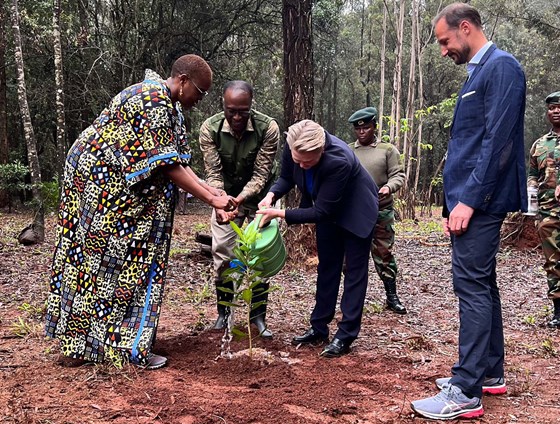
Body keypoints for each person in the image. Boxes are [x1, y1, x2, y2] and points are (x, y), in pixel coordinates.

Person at [45, 54, 236, 370]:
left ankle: (90, 345)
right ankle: (106, 347)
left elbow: (175, 161)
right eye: (200, 93)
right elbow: (167, 166)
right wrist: (211, 199)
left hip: (110, 186)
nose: (199, 100)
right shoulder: (152, 101)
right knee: (107, 261)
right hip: (101, 186)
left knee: (102, 262)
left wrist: (210, 190)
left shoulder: (167, 104)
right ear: (183, 80)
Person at [410, 3, 527, 420]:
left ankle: (465, 390)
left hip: (483, 201)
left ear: (465, 28)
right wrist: (451, 202)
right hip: (470, 200)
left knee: (471, 289)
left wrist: (469, 201)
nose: (443, 50)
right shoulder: (481, 72)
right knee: (483, 285)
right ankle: (489, 373)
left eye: (445, 41)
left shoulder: (502, 67)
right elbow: (469, 142)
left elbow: (497, 142)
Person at [257, 119, 378, 358]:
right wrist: (271, 196)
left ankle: (345, 335)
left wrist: (279, 214)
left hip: (356, 212)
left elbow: (323, 211)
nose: (301, 166)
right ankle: (319, 327)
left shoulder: (338, 160)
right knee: (327, 268)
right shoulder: (294, 146)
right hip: (327, 211)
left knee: (354, 273)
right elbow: (286, 178)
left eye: (308, 162)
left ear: (321, 150)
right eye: (297, 160)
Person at [199, 80, 280, 339]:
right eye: (230, 110)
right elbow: (212, 172)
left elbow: (261, 173)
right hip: (223, 197)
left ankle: (258, 316)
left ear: (250, 107)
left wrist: (241, 198)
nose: (236, 117)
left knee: (260, 254)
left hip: (260, 199)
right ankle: (224, 313)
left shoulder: (268, 128)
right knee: (222, 252)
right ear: (223, 105)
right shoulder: (209, 129)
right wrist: (221, 201)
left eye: (242, 112)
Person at [348, 107, 406, 314]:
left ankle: (391, 296)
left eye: (366, 127)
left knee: (384, 252)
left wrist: (389, 187)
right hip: (354, 213)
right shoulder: (348, 151)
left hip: (380, 210)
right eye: (358, 129)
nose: (362, 132)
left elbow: (398, 174)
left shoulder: (387, 150)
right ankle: (353, 299)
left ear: (374, 126)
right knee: (351, 257)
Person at [527, 91, 560, 329]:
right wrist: (530, 193)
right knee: (553, 261)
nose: (555, 111)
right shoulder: (540, 144)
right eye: (551, 108)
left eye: (559, 107)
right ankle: (558, 312)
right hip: (548, 213)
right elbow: (532, 173)